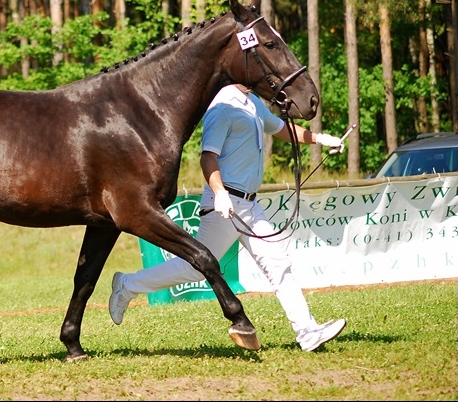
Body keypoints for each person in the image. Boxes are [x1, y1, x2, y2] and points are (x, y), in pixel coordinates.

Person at [109, 83, 347, 352]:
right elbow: (208, 157)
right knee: (192, 268)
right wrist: (220, 193)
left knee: (278, 264)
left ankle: (307, 332)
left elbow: (280, 128)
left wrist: (319, 138)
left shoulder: (253, 101)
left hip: (250, 205)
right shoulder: (222, 106)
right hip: (225, 204)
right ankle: (127, 284)